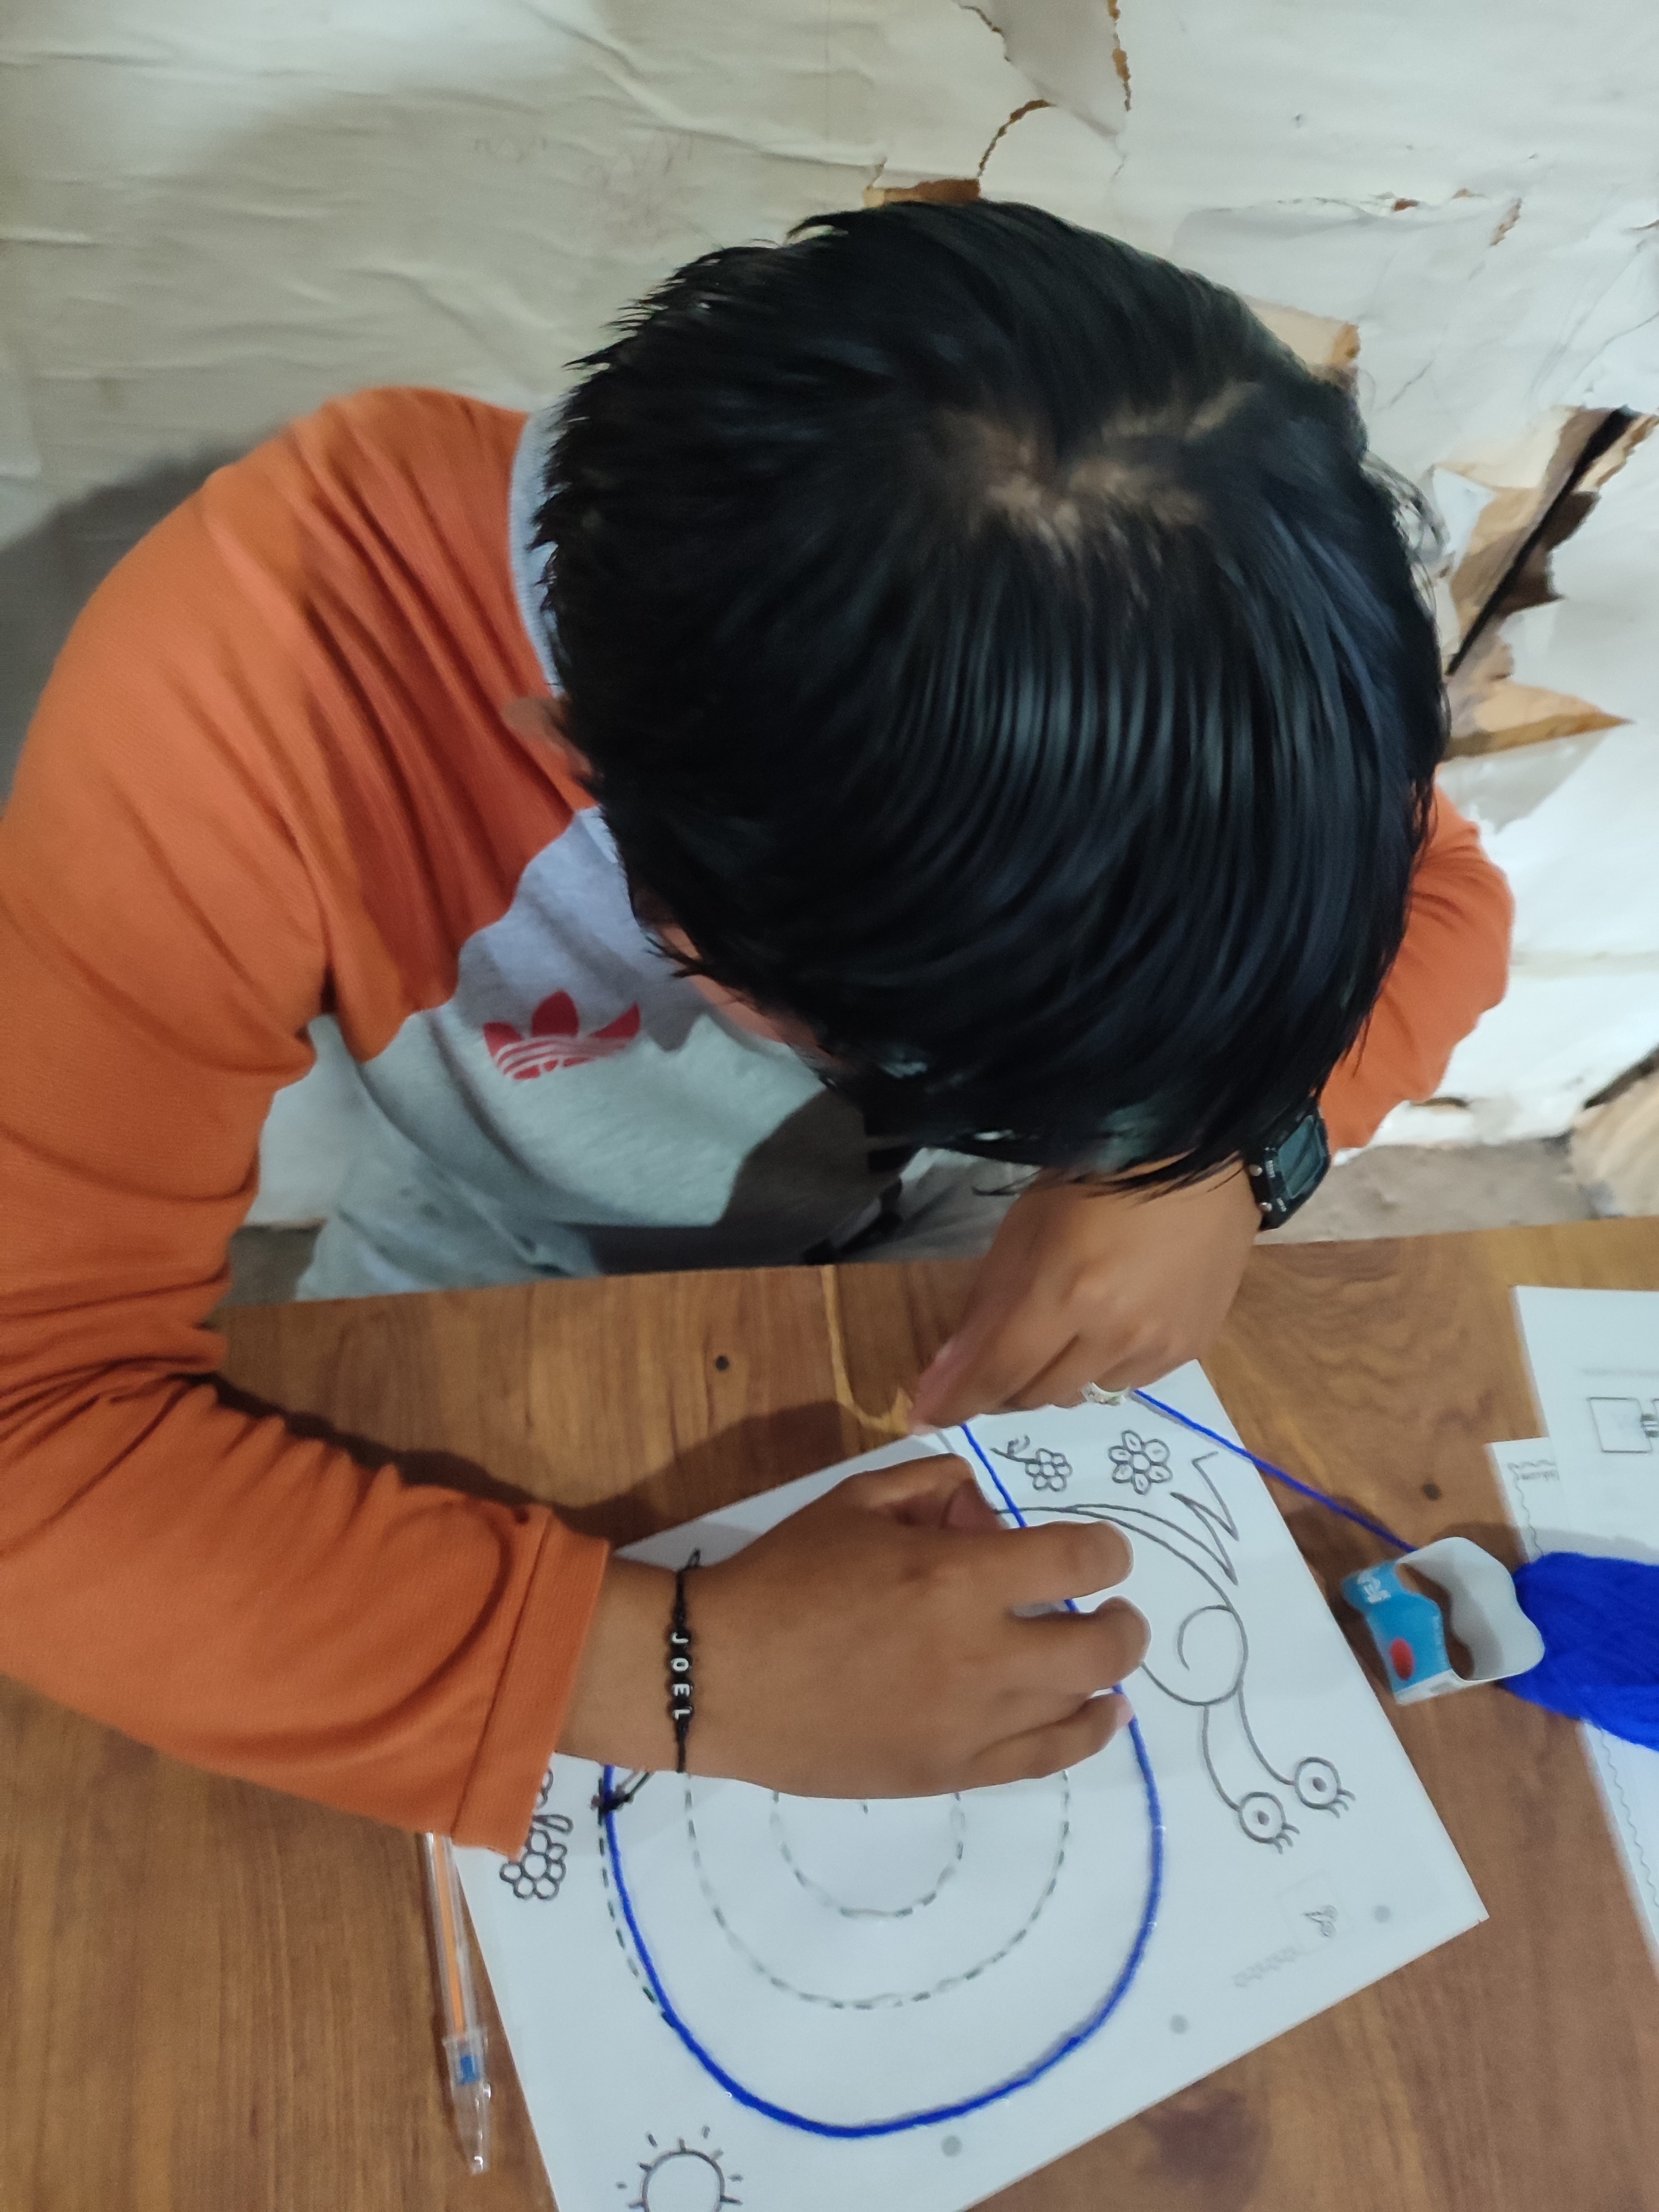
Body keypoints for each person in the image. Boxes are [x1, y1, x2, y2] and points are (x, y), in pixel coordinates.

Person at [0, 202, 1510, 1853]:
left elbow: (1445, 895)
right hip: (498, 1242)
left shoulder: (1180, 628)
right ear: (581, 774)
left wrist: (1220, 1160)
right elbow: (33, 1427)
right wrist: (672, 1674)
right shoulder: (265, 674)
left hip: (942, 1243)